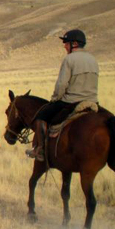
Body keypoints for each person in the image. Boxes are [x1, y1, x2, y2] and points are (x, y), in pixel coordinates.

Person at [26, 29, 98, 161]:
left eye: (66, 43)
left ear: (74, 44)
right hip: (93, 101)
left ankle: (40, 150)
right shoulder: (92, 59)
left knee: (41, 116)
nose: (64, 45)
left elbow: (61, 85)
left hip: (72, 101)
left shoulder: (69, 59)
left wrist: (54, 99)